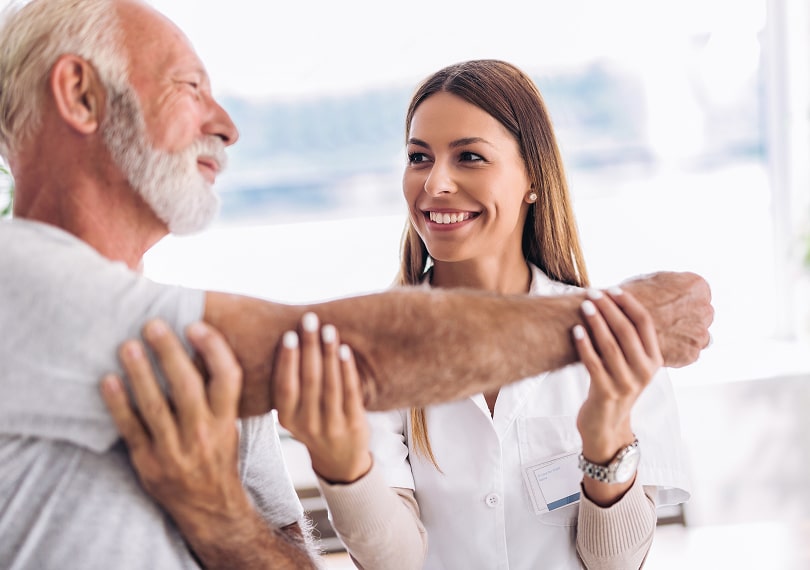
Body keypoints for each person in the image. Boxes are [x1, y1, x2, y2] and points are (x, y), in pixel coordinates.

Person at [0, 0, 712, 567]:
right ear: (81, 95)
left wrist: (216, 511)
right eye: (190, 87)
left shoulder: (217, 352)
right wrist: (624, 320)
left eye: (469, 156)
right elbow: (359, 349)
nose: (227, 126)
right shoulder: (20, 280)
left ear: (534, 179)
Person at [275, 60, 692, 569]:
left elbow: (615, 563)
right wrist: (339, 461)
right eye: (419, 157)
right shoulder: (371, 349)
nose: (436, 184)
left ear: (533, 177)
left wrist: (606, 436)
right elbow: (395, 562)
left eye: (469, 157)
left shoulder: (619, 341)